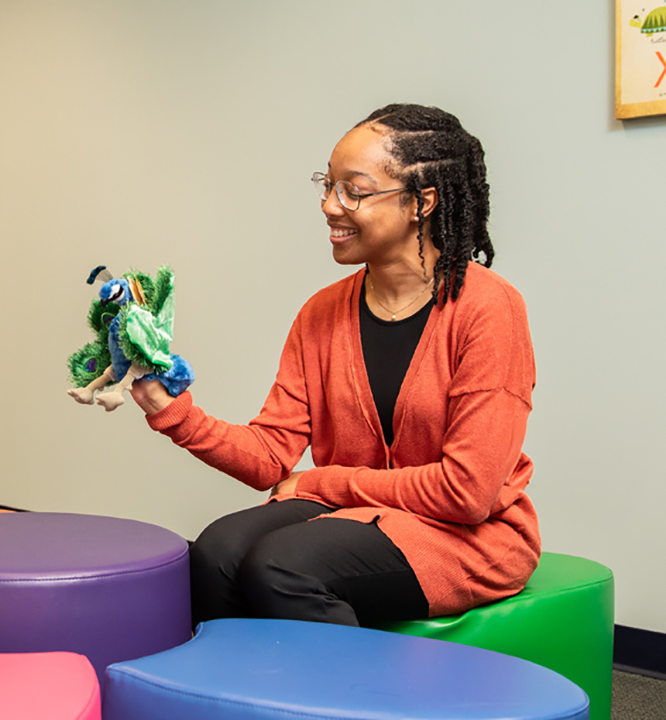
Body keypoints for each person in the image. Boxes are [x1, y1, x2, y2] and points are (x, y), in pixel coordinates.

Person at [131, 103, 538, 627]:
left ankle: (347, 684)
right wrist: (170, 410)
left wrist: (321, 483)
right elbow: (269, 457)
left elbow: (467, 493)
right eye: (327, 186)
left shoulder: (489, 309)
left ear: (421, 202)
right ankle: (248, 682)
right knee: (216, 554)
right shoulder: (321, 313)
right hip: (360, 517)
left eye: (353, 191)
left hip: (469, 536)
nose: (329, 205)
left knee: (282, 566)